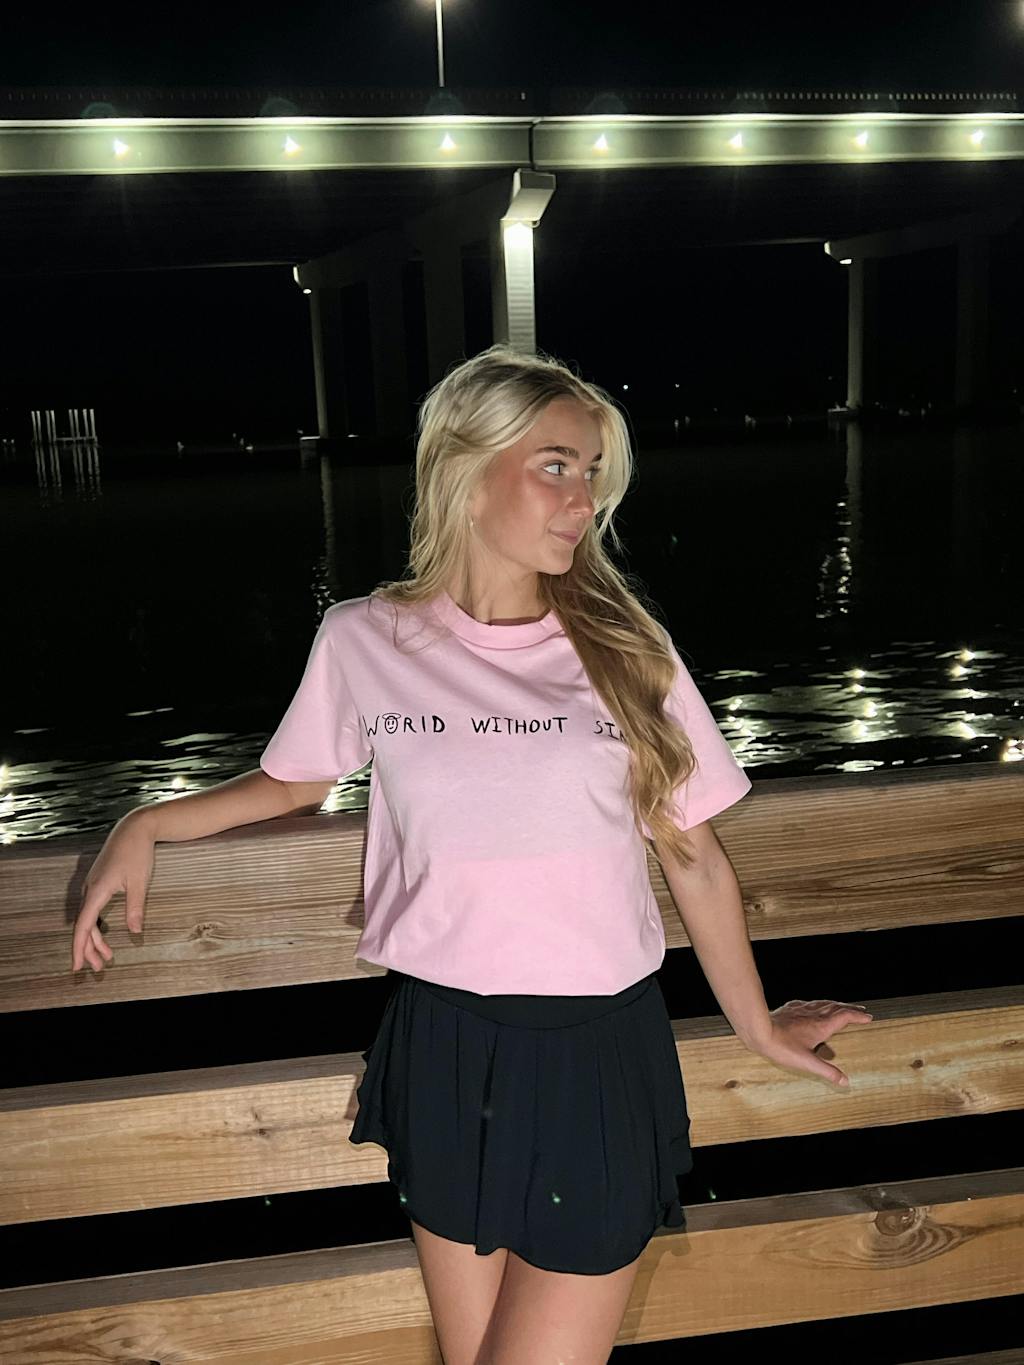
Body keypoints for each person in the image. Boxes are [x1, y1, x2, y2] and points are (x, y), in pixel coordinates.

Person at [71, 343, 873, 1365]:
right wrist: (145, 822)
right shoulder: (365, 639)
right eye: (555, 466)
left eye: (592, 473)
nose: (582, 500)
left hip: (592, 1059)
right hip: (441, 1049)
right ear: (464, 467)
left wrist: (756, 1025)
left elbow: (696, 859)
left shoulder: (626, 651)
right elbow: (294, 783)